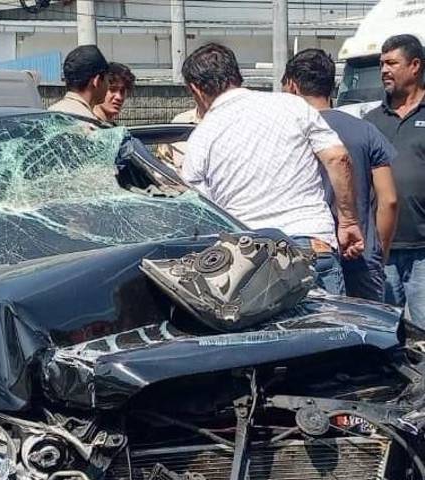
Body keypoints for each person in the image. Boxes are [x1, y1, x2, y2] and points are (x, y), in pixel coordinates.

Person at [179, 43, 364, 294]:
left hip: (250, 261)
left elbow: (200, 211)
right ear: (237, 75)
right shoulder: (293, 106)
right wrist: (348, 221)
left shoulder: (200, 138)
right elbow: (338, 158)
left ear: (196, 89)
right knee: (329, 331)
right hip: (312, 245)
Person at [283, 48, 398, 302]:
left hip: (311, 252)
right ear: (332, 85)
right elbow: (388, 199)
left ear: (291, 86)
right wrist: (379, 250)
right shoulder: (366, 130)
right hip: (362, 256)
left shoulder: (286, 134)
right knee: (371, 333)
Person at [367, 34, 425, 319]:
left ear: (415, 66)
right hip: (383, 251)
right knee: (387, 332)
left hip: (423, 252)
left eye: (392, 63)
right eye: (382, 64)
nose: (384, 70)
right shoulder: (371, 121)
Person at [48, 45, 110, 120]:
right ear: (97, 81)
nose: (108, 85)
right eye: (107, 80)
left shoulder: (49, 113)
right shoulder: (89, 123)